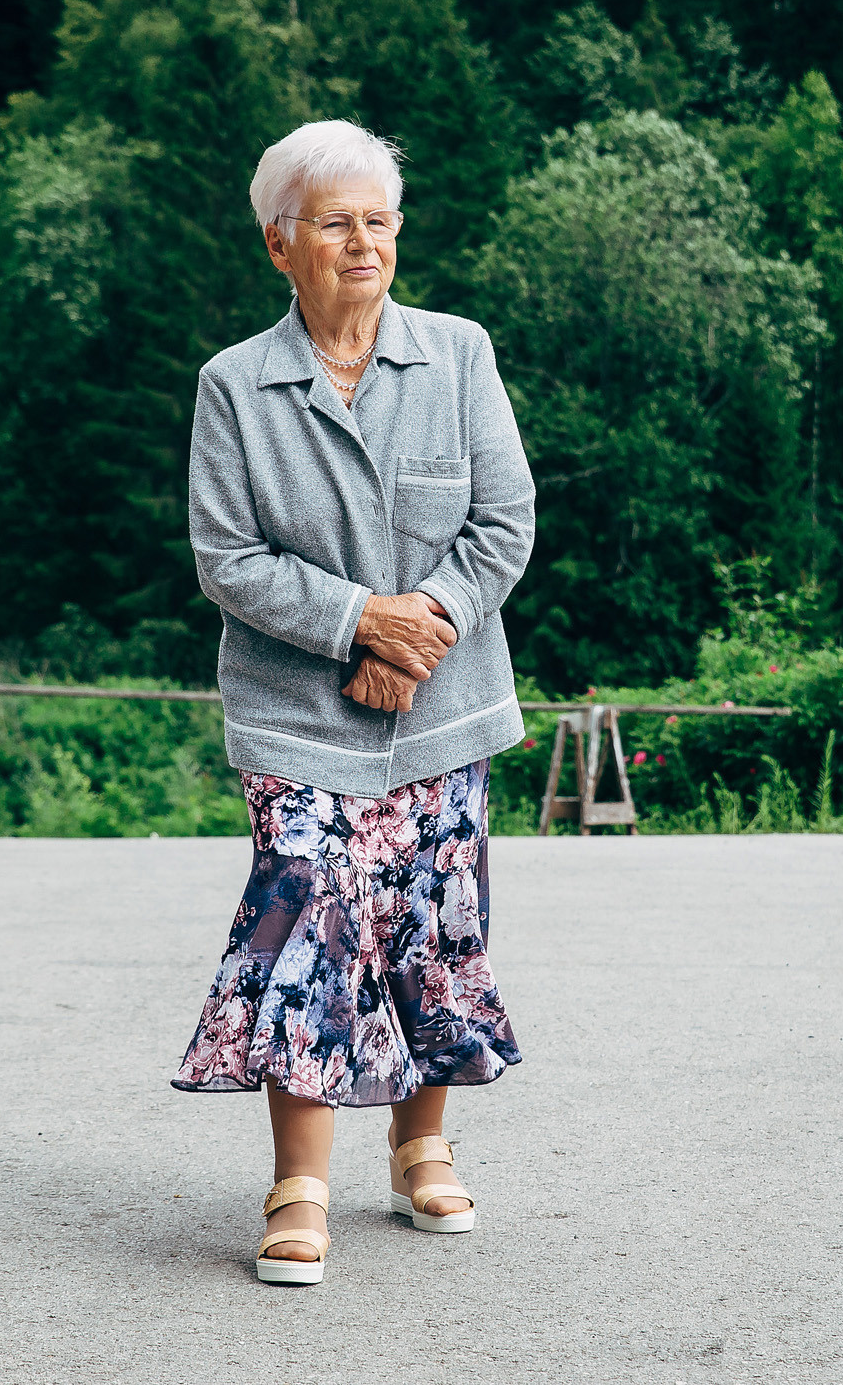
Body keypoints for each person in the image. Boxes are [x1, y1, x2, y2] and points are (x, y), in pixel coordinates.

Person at [171, 119, 536, 1286]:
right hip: (297, 719)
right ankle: (300, 1185)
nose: (365, 243)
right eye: (336, 222)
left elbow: (503, 525)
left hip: (443, 707)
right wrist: (355, 624)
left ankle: (422, 1147)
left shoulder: (460, 353)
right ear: (280, 243)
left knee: (434, 923)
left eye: (379, 221)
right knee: (308, 925)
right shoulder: (235, 384)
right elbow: (228, 557)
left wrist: (411, 636)